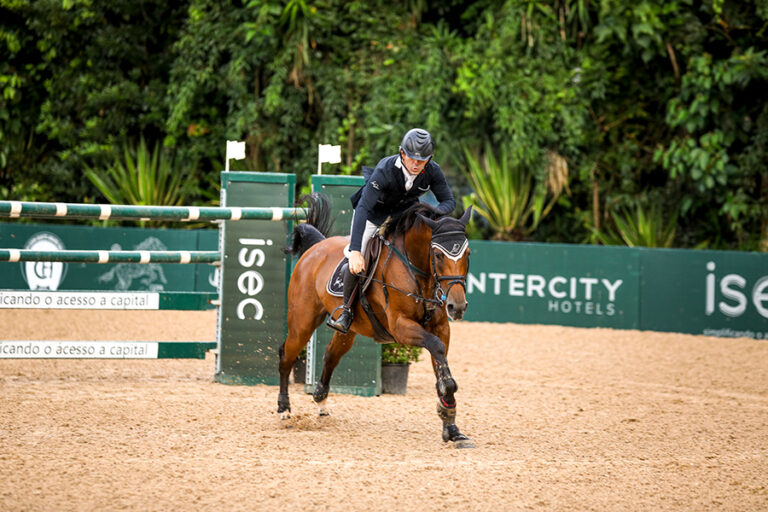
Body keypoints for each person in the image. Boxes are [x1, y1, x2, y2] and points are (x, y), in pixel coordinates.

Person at [326, 128, 456, 333]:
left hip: (405, 214)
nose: (415, 164)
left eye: (421, 161)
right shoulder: (385, 170)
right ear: (402, 153)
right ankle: (346, 312)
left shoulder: (433, 170)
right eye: (412, 158)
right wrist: (356, 250)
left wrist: (433, 212)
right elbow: (363, 208)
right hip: (373, 214)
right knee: (355, 259)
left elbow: (448, 201)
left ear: (429, 159)